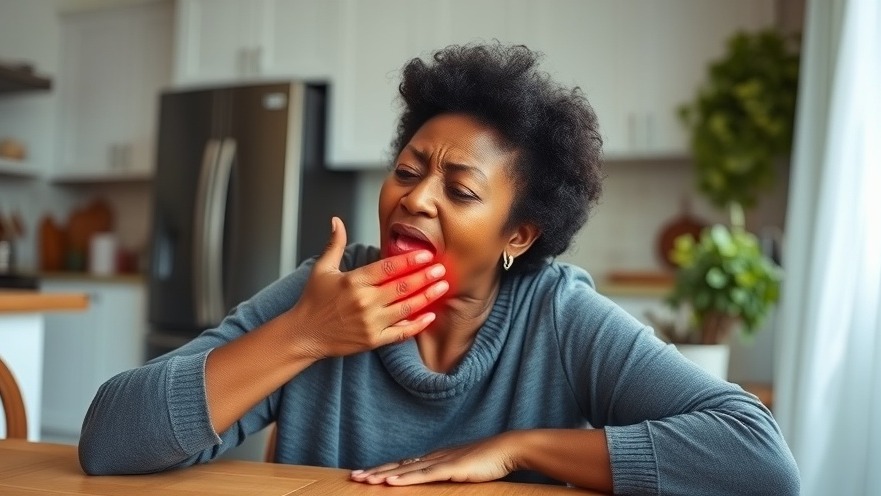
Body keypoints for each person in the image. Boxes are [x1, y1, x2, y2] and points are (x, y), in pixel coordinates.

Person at [79, 42, 799, 495]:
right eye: (404, 171)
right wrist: (305, 333)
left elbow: (757, 462)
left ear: (518, 233)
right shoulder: (324, 294)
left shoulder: (556, 315)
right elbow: (109, 445)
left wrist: (516, 449)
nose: (413, 199)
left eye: (458, 190)